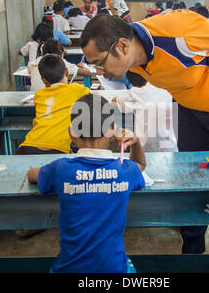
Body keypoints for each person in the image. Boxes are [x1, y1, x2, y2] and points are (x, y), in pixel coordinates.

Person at [80, 12, 209, 261]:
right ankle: (192, 252)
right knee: (190, 173)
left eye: (100, 63)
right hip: (191, 105)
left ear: (122, 46)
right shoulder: (132, 52)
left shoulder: (180, 37)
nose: (99, 71)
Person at [26, 93, 146, 273]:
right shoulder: (125, 171)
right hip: (114, 268)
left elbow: (31, 175)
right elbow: (141, 165)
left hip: (68, 268)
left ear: (71, 132)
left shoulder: (61, 169)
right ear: (112, 131)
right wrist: (135, 142)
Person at [17, 54, 90, 155]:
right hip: (57, 148)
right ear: (67, 72)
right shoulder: (77, 90)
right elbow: (94, 98)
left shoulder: (39, 95)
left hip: (28, 146)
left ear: (43, 80)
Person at [111, 71, 178, 152]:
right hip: (171, 144)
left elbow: (117, 102)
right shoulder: (169, 86)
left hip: (146, 147)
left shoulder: (137, 91)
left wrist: (117, 98)